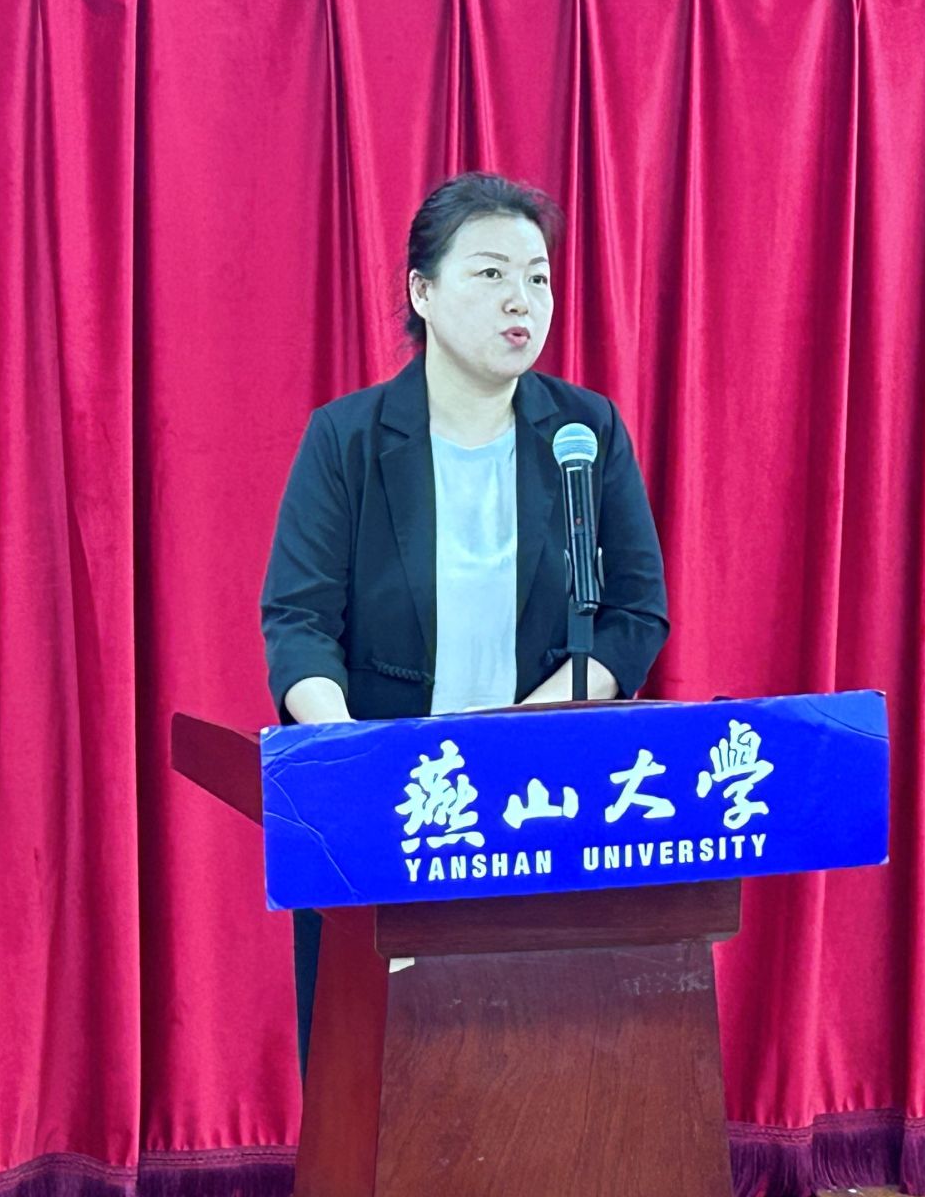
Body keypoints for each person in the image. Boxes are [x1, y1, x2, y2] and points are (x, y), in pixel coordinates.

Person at [259, 171, 670, 1071]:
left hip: (537, 798)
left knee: (533, 1075)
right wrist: (355, 757)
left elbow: (635, 614)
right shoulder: (348, 439)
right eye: (490, 274)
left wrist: (515, 736)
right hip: (390, 805)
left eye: (538, 277)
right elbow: (298, 621)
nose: (522, 299)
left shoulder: (585, 433)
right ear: (423, 291)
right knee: (378, 1078)